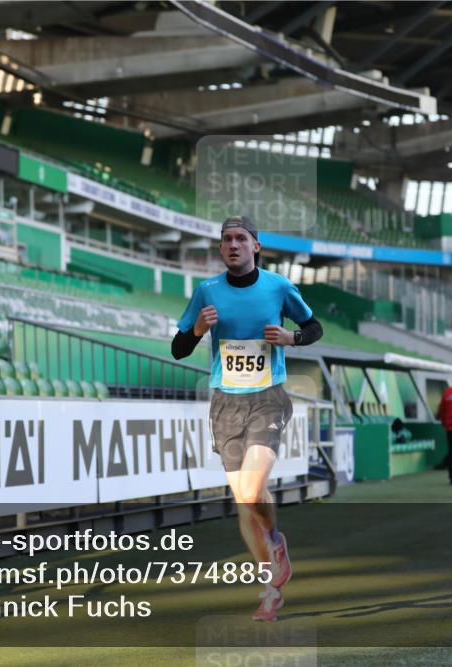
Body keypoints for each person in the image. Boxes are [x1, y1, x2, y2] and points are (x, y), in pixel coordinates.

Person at [171, 215, 323, 622]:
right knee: (244, 503)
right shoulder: (206, 291)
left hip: (267, 398)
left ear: (256, 246)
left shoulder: (278, 287)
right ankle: (271, 587)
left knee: (254, 485)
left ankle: (275, 543)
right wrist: (199, 329)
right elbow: (178, 349)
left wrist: (293, 338)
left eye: (241, 238)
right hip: (225, 404)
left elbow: (313, 326)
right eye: (226, 239)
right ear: (221, 248)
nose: (232, 244)